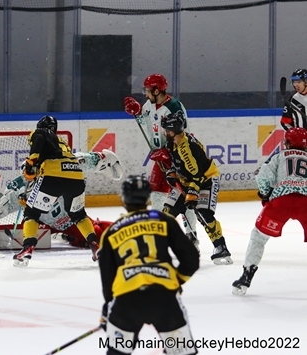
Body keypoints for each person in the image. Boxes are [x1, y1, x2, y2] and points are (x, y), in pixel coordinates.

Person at [98, 175, 199, 355]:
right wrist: (175, 280)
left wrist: (108, 308)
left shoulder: (112, 231)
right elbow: (191, 258)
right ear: (148, 197)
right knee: (182, 353)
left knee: (117, 353)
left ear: (123, 199)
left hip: (126, 300)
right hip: (164, 297)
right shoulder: (162, 219)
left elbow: (108, 278)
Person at [0, 149, 121, 248]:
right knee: (26, 233)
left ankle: (121, 230)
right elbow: (3, 203)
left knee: (96, 235)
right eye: (30, 174)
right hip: (42, 222)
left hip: (70, 218)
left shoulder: (57, 168)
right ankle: (70, 238)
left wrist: (103, 158)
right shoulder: (19, 187)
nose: (33, 176)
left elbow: (84, 160)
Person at [124, 73, 199, 251]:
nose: (145, 94)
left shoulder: (174, 107)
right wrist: (137, 114)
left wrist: (169, 151)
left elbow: (184, 134)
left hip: (177, 158)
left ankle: (191, 236)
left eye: (148, 90)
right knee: (157, 194)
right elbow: (147, 126)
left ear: (157, 90)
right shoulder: (148, 105)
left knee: (184, 197)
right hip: (160, 157)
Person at [13, 115, 100, 266]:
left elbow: (38, 141)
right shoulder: (61, 141)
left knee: (32, 213)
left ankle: (27, 249)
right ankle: (95, 245)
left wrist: (30, 163)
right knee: (78, 215)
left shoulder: (40, 132)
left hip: (53, 176)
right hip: (76, 176)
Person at [232, 127, 307, 295]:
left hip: (281, 202)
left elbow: (263, 175)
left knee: (258, 237)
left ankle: (245, 278)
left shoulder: (279, 156)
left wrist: (265, 194)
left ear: (287, 142)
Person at [156, 111, 232, 265]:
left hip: (206, 180)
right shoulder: (172, 143)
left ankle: (221, 247)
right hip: (187, 181)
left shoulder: (187, 149)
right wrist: (171, 173)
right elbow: (177, 165)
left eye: (165, 130)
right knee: (167, 213)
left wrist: (192, 193)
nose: (163, 133)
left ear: (172, 131)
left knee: (203, 214)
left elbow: (197, 175)